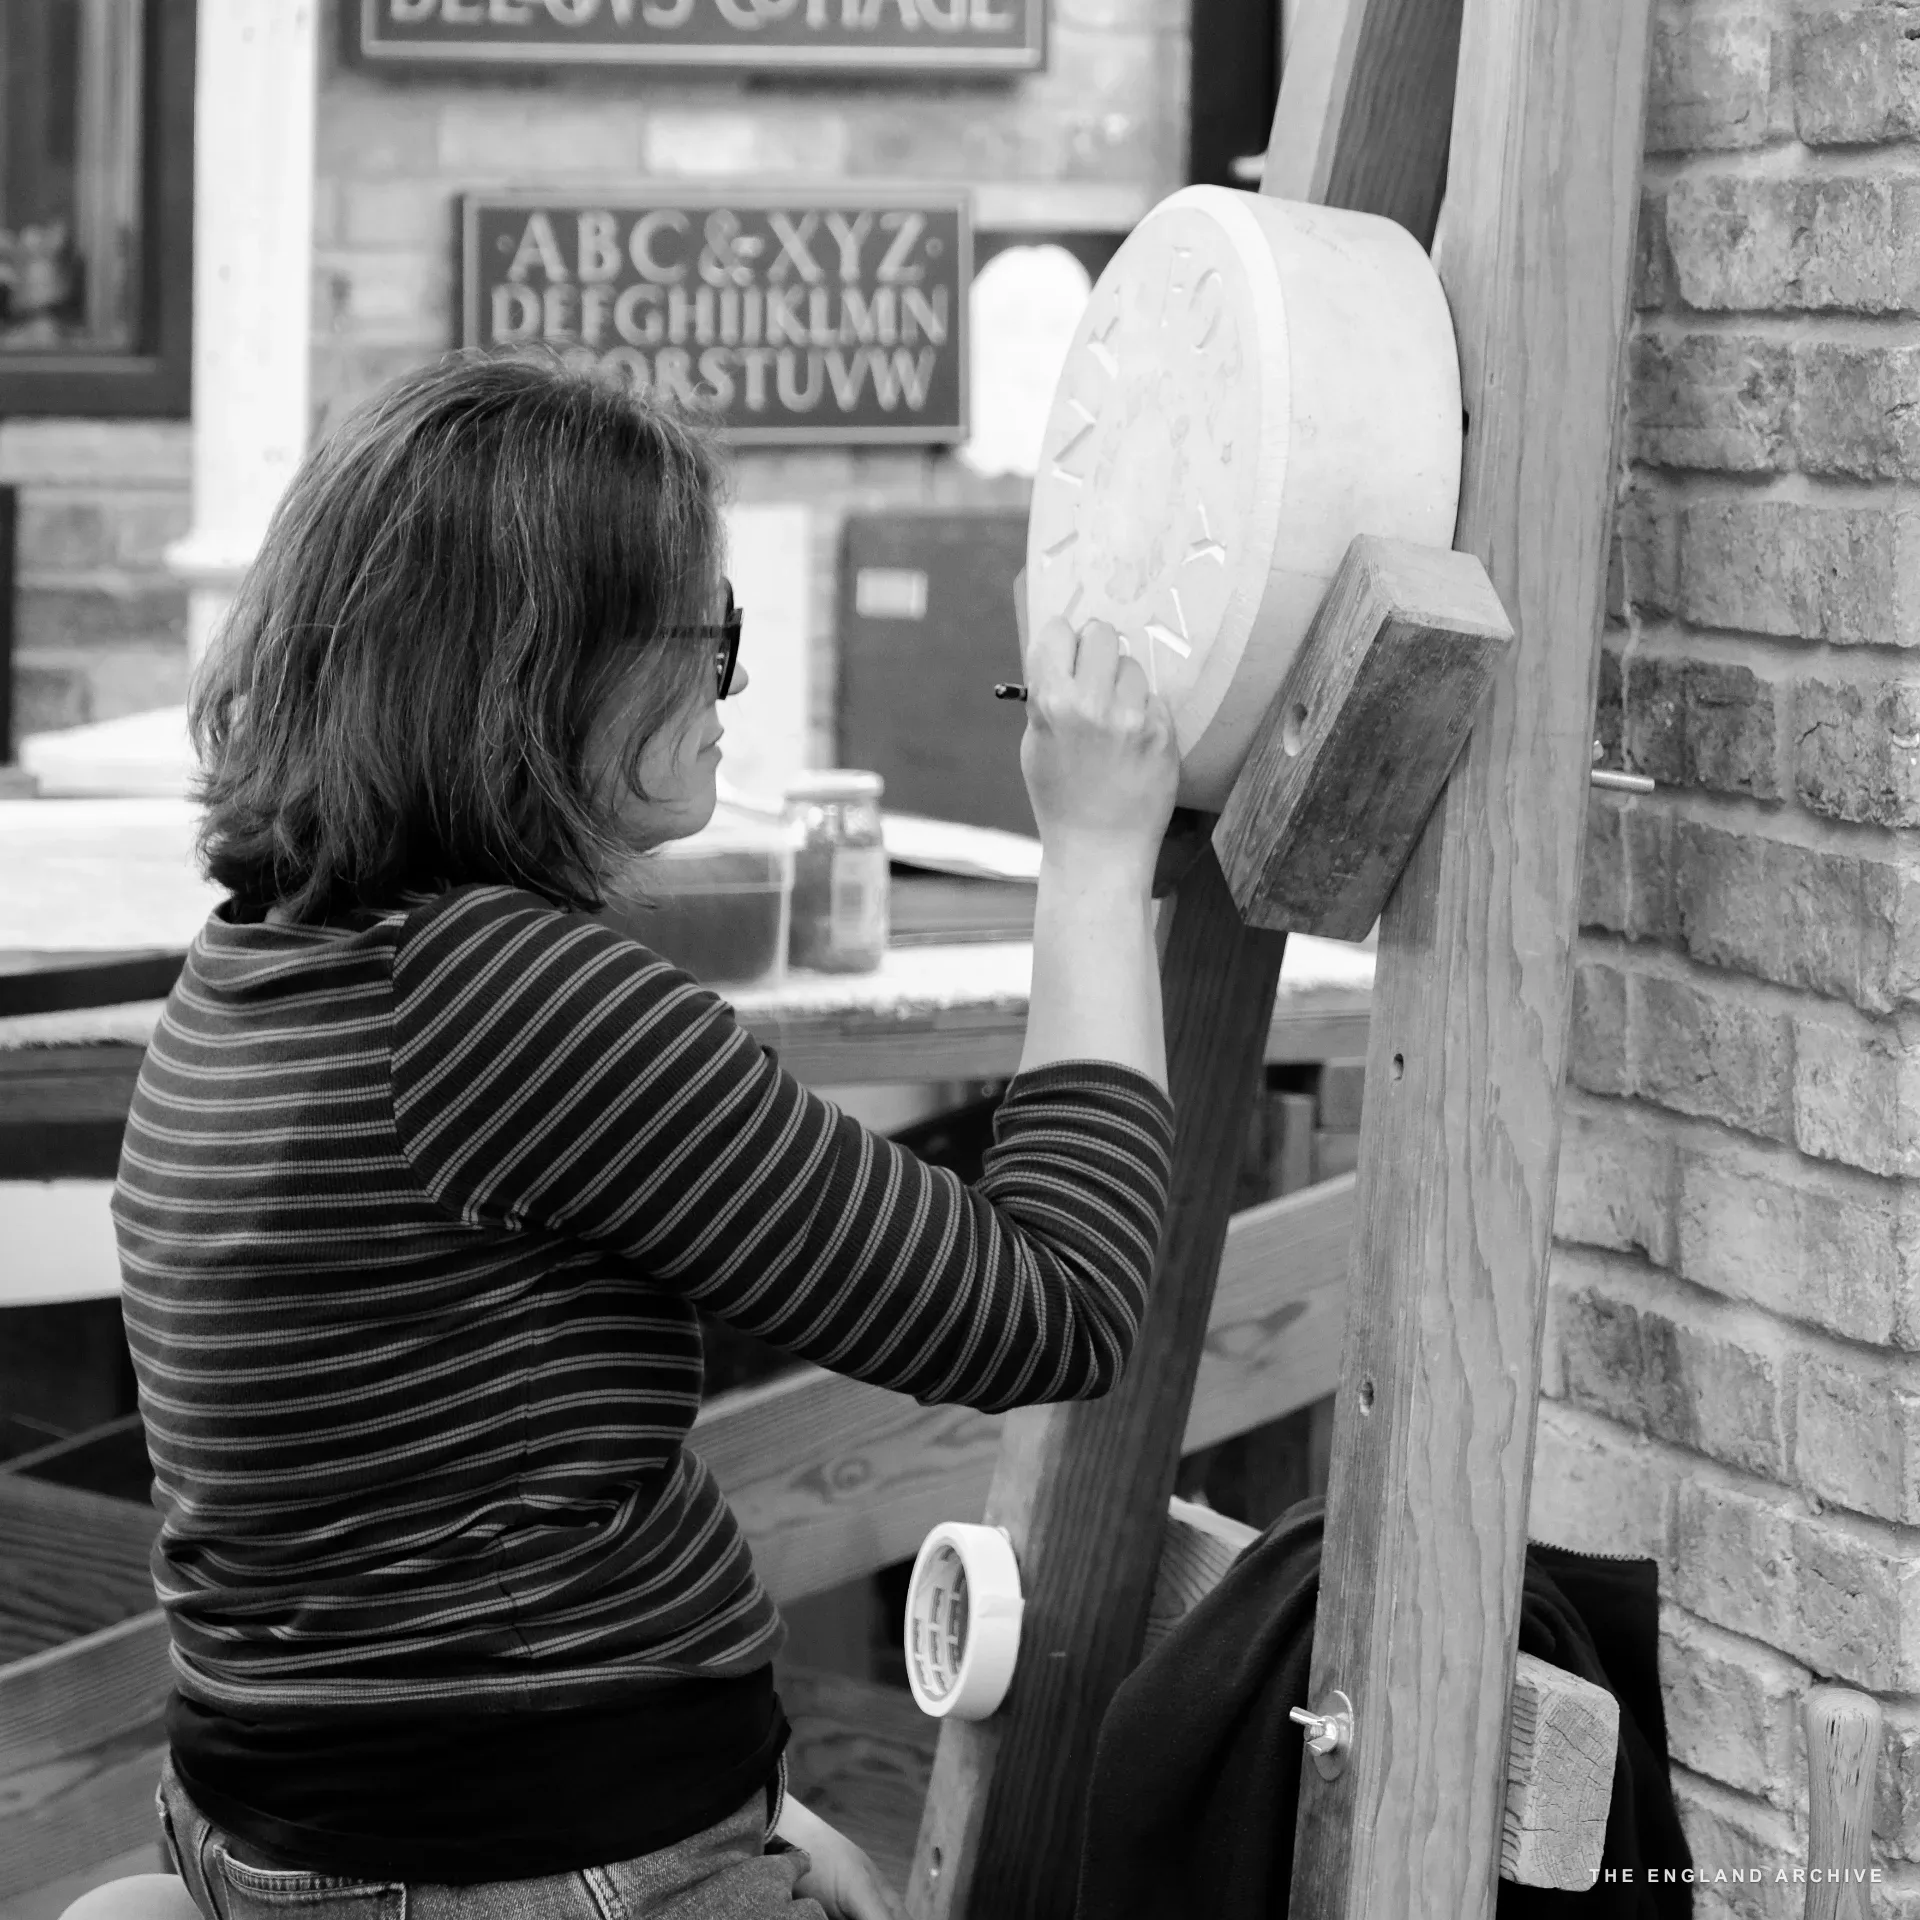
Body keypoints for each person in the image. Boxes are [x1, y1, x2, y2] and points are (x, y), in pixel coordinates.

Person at [111, 352, 1180, 1920]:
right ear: (551, 667)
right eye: (712, 636)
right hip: (511, 1861)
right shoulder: (501, 996)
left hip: (304, 1833)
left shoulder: (262, 961)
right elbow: (1052, 1306)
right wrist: (1094, 854)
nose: (726, 688)